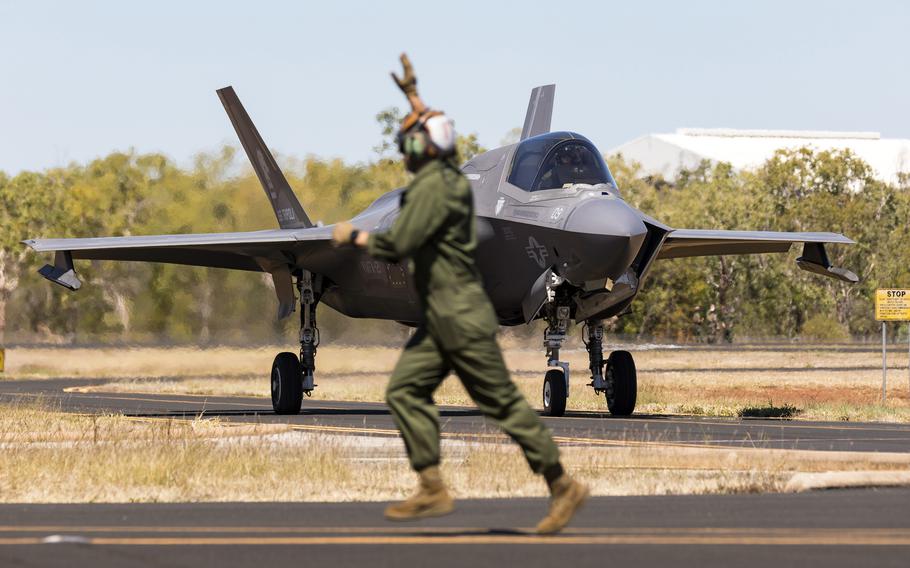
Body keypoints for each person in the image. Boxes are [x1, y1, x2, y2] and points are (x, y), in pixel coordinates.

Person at [331, 54, 589, 534]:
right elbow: (436, 135)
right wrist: (412, 94)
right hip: (442, 316)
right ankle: (432, 485)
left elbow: (395, 243)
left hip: (461, 316)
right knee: (406, 391)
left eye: (409, 141)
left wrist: (352, 238)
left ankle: (561, 485)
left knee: (503, 406)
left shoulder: (433, 191)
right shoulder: (449, 179)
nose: (404, 148)